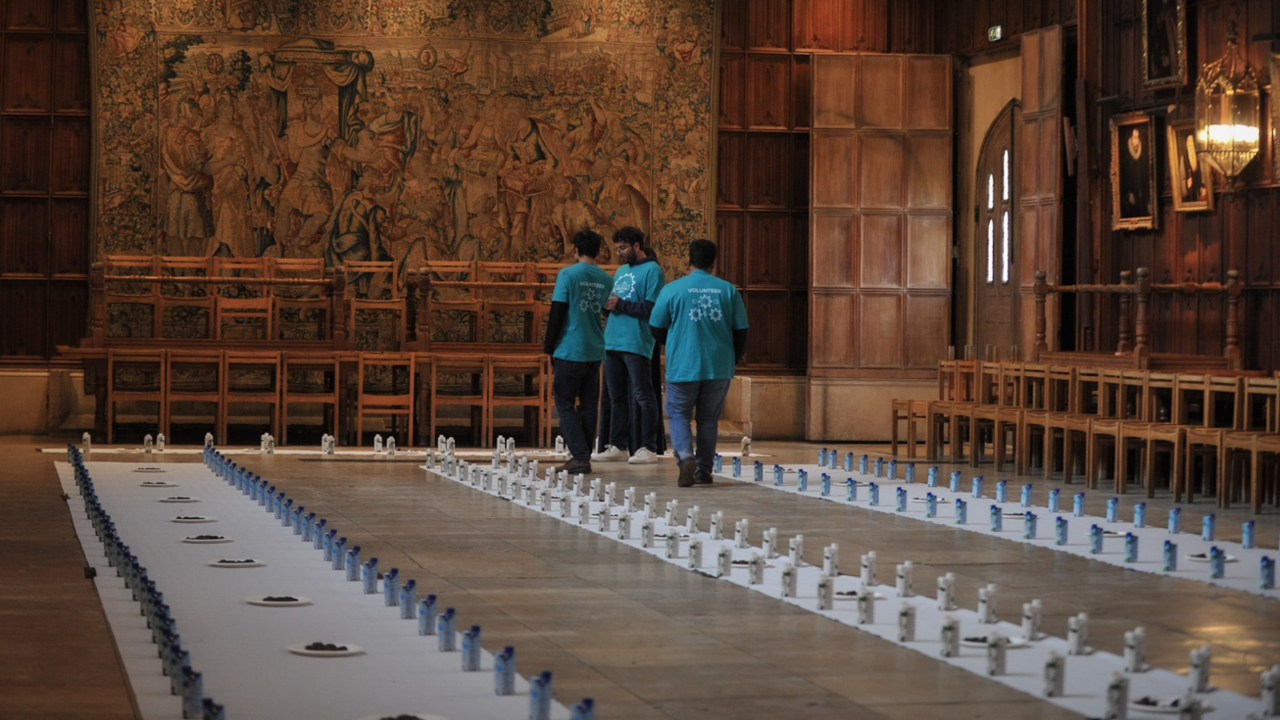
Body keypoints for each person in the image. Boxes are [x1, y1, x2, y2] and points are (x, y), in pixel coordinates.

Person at [649, 239, 748, 487]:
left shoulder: (672, 290)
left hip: (683, 363)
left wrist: (673, 340)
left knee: (679, 415)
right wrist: (733, 358)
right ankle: (703, 470)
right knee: (708, 419)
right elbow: (741, 331)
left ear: (688, 261)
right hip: (718, 365)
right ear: (714, 263)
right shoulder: (728, 290)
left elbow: (655, 327)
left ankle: (685, 457)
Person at [593, 227, 665, 464]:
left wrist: (621, 304)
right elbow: (614, 303)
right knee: (616, 396)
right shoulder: (620, 270)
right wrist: (605, 304)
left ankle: (648, 447)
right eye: (616, 249)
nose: (619, 253)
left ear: (636, 246)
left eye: (623, 248)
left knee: (643, 395)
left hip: (637, 341)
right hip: (612, 340)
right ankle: (618, 444)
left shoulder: (653, 270)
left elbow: (652, 308)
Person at [544, 229, 614, 474]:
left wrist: (548, 346)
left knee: (563, 402)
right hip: (595, 349)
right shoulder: (607, 279)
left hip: (569, 348)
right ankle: (583, 455)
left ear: (575, 250)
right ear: (598, 252)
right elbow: (605, 311)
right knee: (588, 405)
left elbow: (558, 311)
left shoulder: (567, 274)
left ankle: (581, 455)